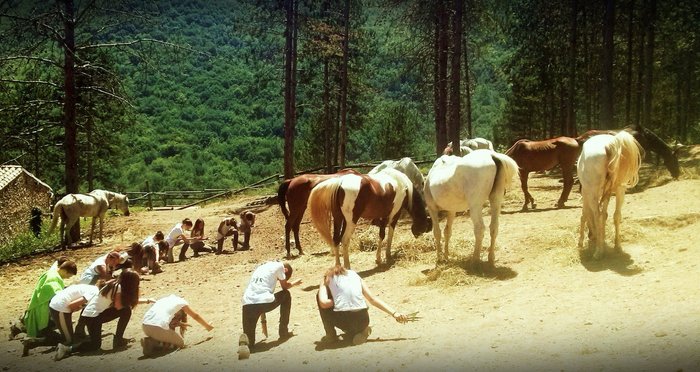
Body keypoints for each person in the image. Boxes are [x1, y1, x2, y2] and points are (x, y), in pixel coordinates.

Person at [55, 269, 154, 361]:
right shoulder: (118, 287)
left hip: (91, 315)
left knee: (126, 310)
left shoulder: (115, 284)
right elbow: (119, 306)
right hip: (93, 317)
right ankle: (67, 349)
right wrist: (135, 300)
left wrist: (147, 300)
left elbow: (122, 303)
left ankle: (118, 339)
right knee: (95, 345)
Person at [316, 265, 408, 346]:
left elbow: (324, 303)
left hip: (345, 321)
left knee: (318, 295)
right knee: (351, 329)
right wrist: (394, 313)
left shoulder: (327, 277)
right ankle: (362, 330)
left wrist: (338, 299)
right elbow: (372, 299)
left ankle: (331, 335)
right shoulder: (354, 275)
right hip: (363, 320)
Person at [240, 261, 301, 354]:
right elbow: (284, 287)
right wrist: (293, 283)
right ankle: (283, 332)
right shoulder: (280, 266)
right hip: (264, 302)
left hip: (247, 303)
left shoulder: (260, 267)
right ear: (285, 270)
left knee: (249, 343)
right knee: (286, 295)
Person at [21, 260, 77, 356]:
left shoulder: (52, 273)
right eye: (69, 275)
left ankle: (31, 338)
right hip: (42, 313)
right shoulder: (53, 278)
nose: (68, 278)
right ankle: (32, 342)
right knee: (61, 339)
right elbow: (57, 294)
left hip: (41, 310)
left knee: (55, 332)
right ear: (65, 271)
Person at [140, 294, 213, 357]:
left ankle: (154, 341)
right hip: (158, 327)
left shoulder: (163, 300)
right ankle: (154, 342)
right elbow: (195, 316)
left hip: (145, 326)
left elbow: (160, 318)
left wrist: (179, 323)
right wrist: (207, 326)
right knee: (180, 343)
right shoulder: (181, 302)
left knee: (164, 335)